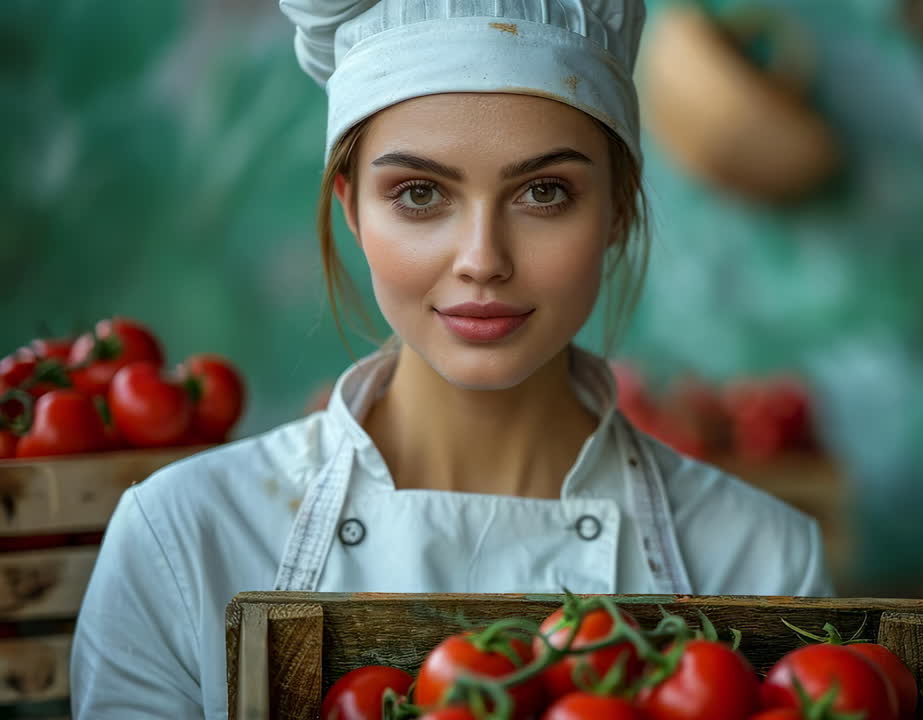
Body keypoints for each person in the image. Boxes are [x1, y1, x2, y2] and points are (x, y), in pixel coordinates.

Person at [70, 0, 834, 716]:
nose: (482, 260)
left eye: (543, 191)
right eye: (418, 194)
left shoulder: (760, 562)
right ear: (351, 208)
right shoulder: (182, 543)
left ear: (618, 211)